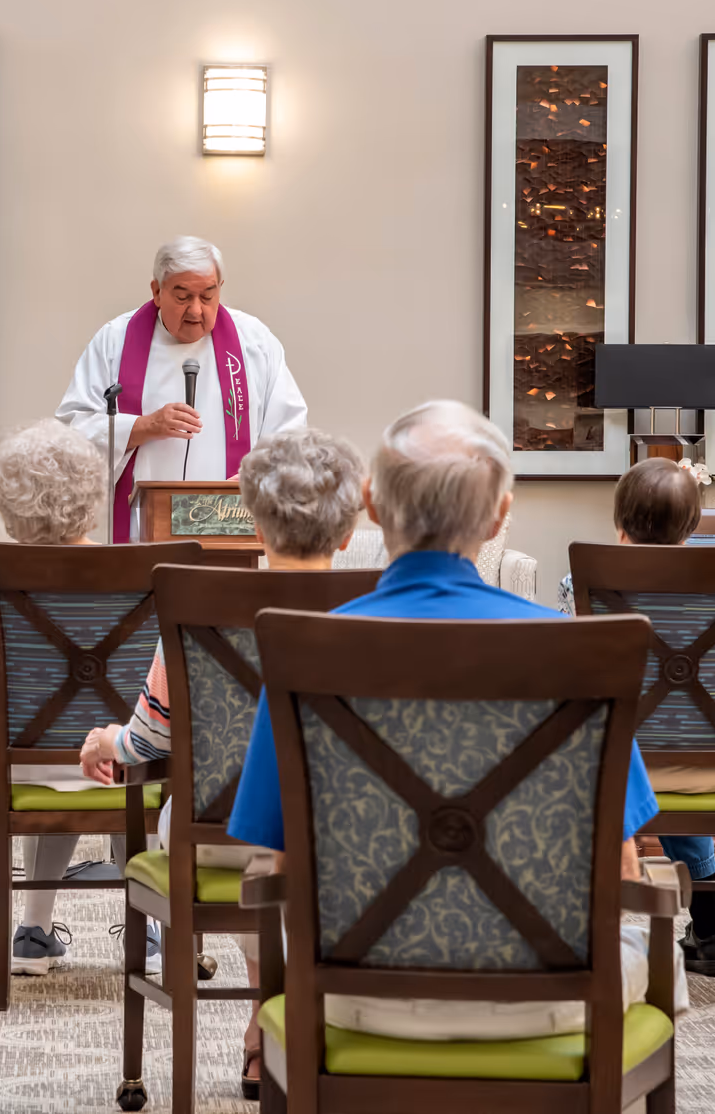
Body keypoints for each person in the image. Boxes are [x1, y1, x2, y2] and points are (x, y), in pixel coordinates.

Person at [227, 399, 667, 1041]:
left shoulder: (303, 649)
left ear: (371, 505)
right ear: (499, 516)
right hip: (558, 1001)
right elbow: (623, 866)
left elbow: (275, 860)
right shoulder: (580, 651)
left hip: (348, 997)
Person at [76, 426, 366, 1096]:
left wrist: (102, 742)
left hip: (215, 846)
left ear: (256, 526)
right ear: (349, 533)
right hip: (354, 846)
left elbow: (148, 743)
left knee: (248, 833)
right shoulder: (379, 608)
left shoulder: (200, 605)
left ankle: (268, 1027)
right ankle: (280, 1028)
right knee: (293, 840)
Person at [602, 456, 715, 980]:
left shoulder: (586, 582)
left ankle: (616, 934)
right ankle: (713, 931)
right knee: (681, 742)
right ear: (694, 525)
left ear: (620, 525)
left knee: (640, 746)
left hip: (626, 769)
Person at [0, 419, 111, 977]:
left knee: (44, 763)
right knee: (111, 760)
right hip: (116, 764)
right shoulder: (138, 573)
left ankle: (33, 935)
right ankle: (151, 931)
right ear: (91, 494)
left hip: (15, 767)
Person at [55, 235, 309, 542]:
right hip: (140, 529)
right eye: (183, 296)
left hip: (229, 525)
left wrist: (258, 477)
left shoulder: (254, 343)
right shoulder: (115, 342)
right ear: (156, 292)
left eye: (207, 296)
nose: (196, 311)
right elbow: (71, 430)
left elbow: (290, 433)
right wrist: (142, 426)